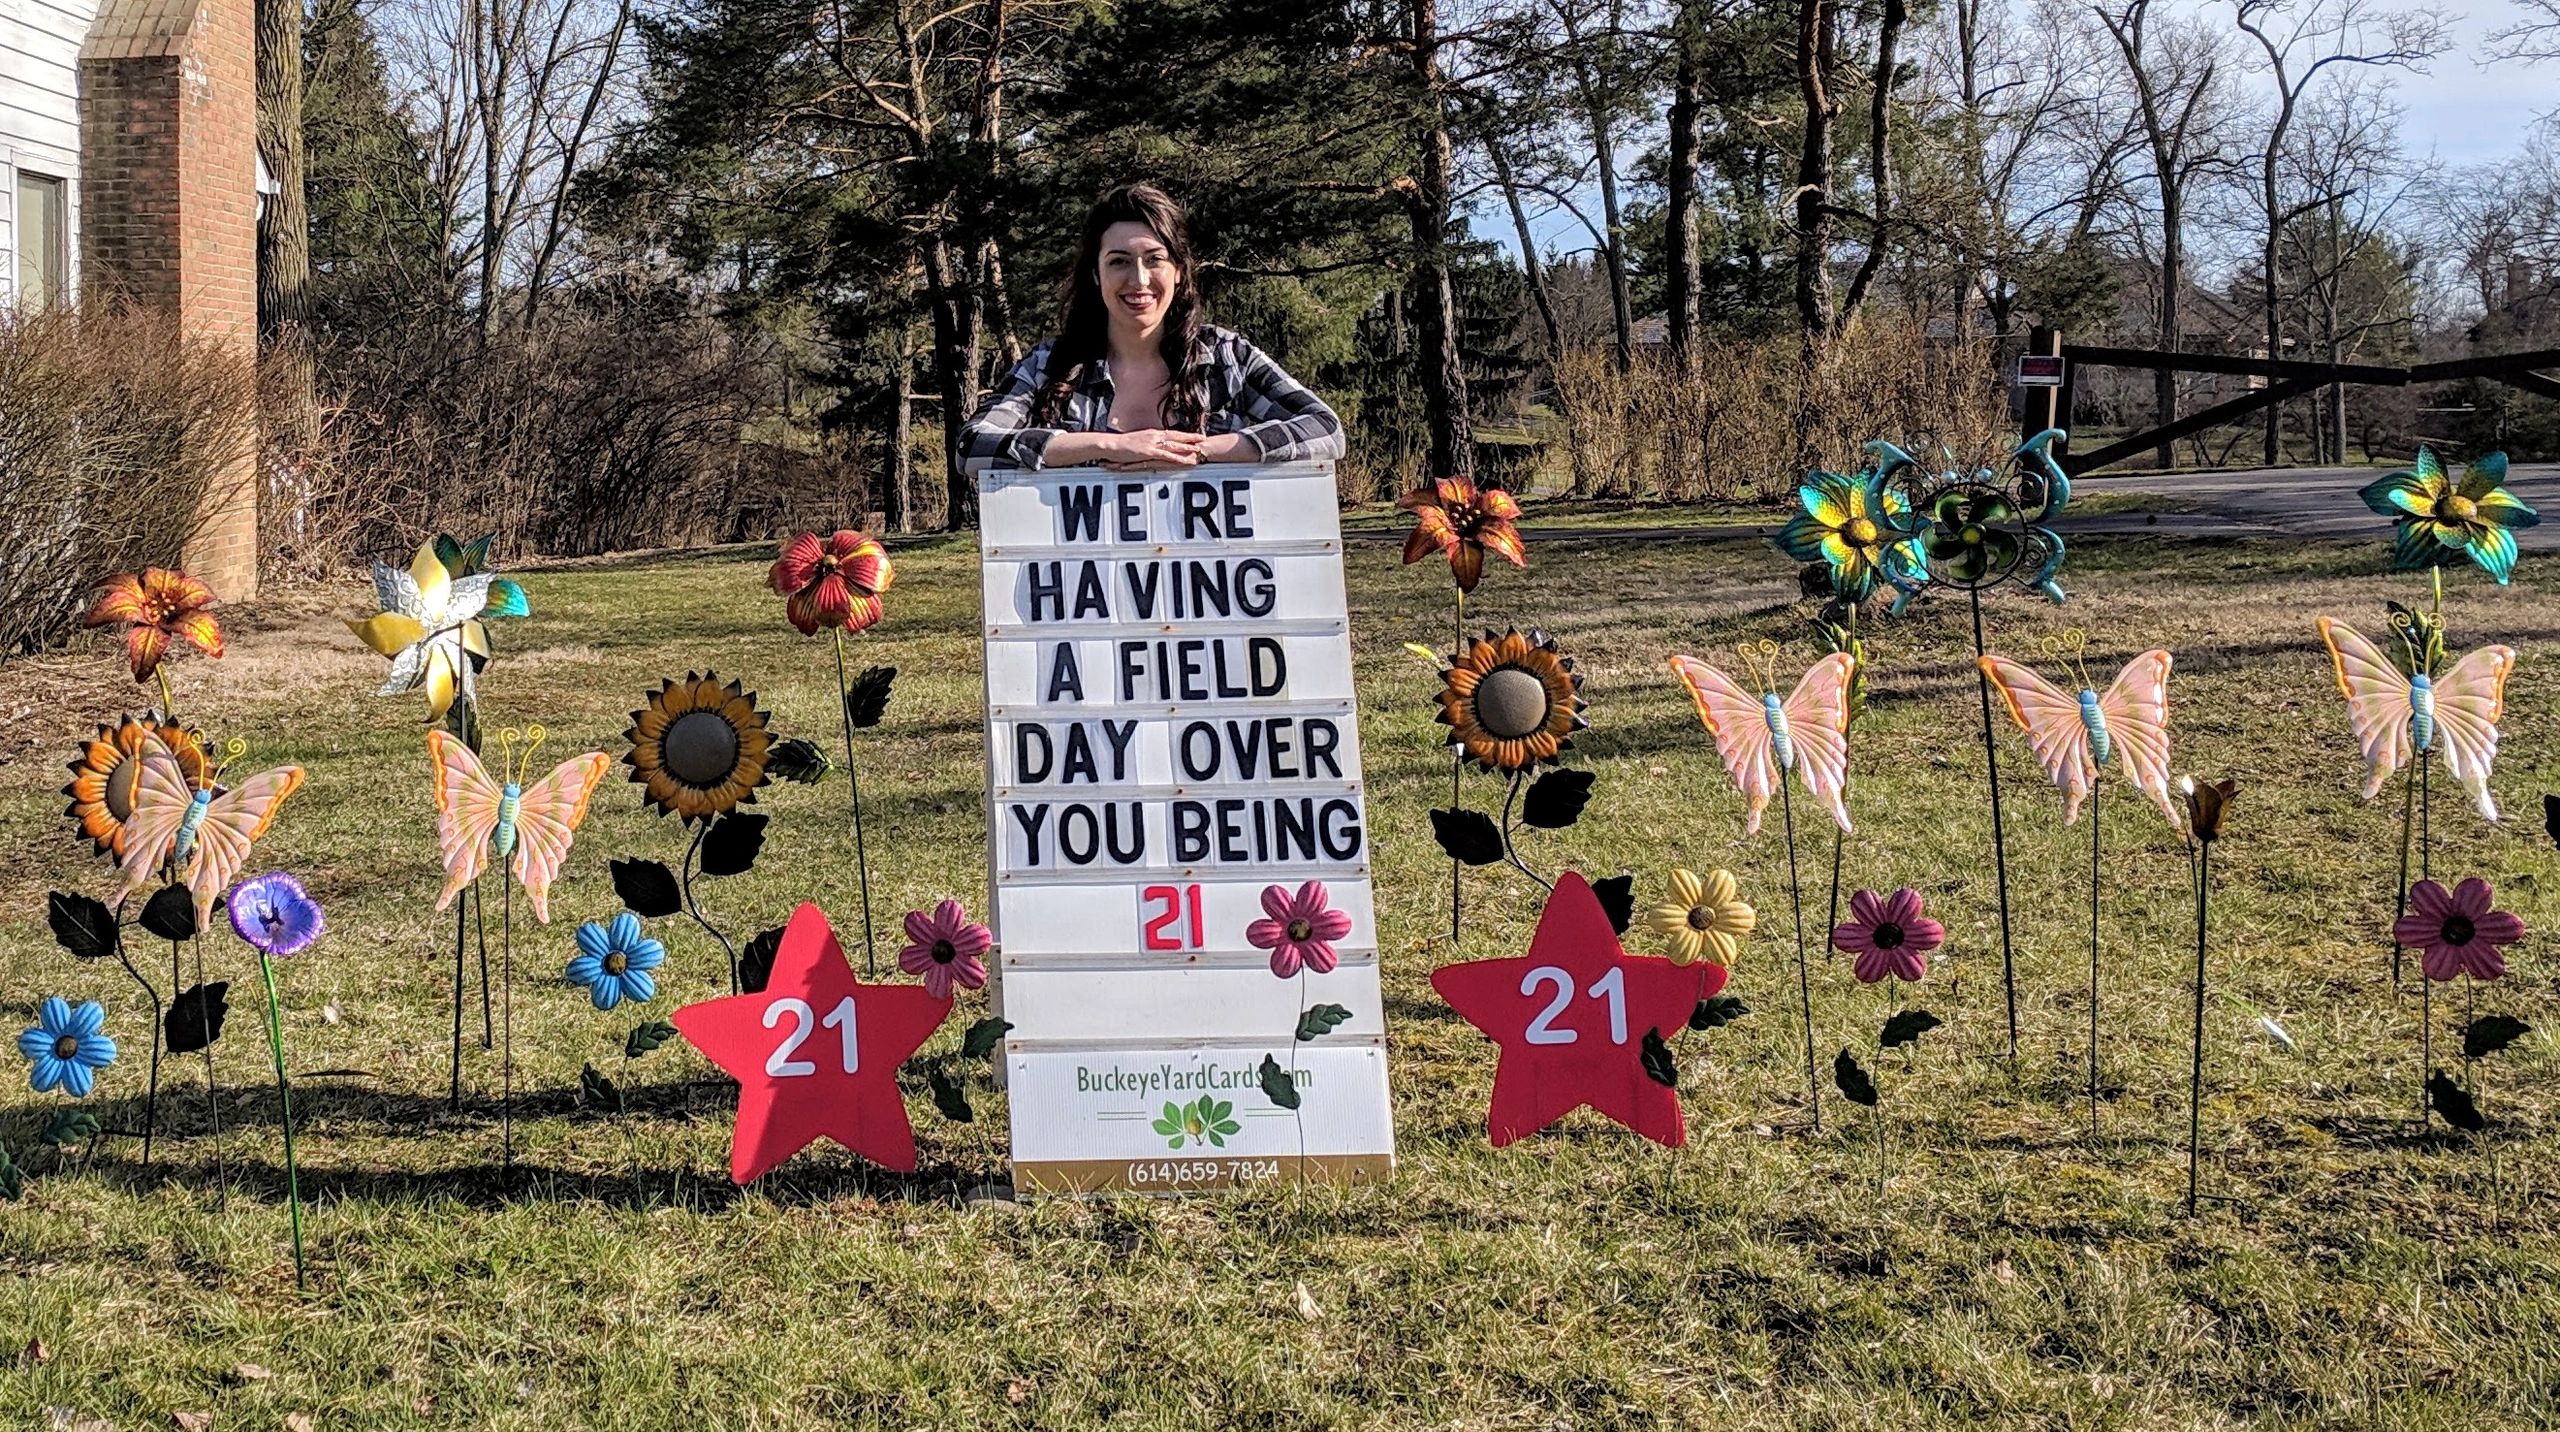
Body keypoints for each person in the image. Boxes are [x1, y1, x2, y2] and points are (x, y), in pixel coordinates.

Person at [961, 183, 1346, 472]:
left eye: (1154, 259)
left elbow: (1326, 430)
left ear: (1179, 271)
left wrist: (1198, 451)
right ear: (1096, 274)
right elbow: (973, 446)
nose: (1139, 279)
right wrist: (1108, 447)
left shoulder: (1229, 358)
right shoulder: (1050, 365)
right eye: (1119, 261)